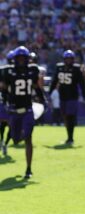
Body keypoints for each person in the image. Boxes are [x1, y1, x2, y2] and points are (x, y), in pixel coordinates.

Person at [0, 46, 46, 178]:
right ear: (14, 59)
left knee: (28, 138)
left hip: (27, 109)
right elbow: (3, 88)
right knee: (15, 139)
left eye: (23, 58)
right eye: (18, 58)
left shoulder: (32, 71)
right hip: (14, 110)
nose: (20, 61)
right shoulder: (8, 72)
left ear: (27, 59)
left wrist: (43, 100)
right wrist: (4, 99)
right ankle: (17, 136)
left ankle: (28, 169)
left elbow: (37, 88)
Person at [49, 50, 85, 145]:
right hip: (62, 96)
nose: (69, 61)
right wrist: (49, 93)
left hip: (72, 96)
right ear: (64, 59)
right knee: (65, 116)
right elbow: (54, 81)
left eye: (70, 59)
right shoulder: (59, 67)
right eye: (67, 59)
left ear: (73, 59)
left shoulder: (76, 68)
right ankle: (69, 137)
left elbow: (82, 84)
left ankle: (70, 138)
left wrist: (84, 96)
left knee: (70, 116)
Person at [0, 50, 15, 155]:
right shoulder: (3, 71)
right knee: (2, 123)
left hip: (15, 102)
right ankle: (2, 141)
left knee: (13, 125)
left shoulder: (21, 71)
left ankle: (5, 142)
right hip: (5, 100)